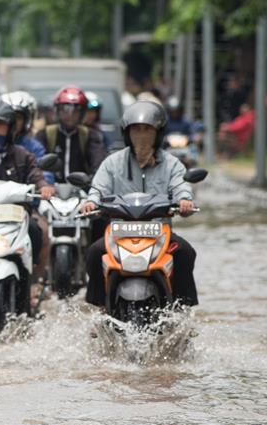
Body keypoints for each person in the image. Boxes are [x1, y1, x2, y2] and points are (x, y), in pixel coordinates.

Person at [80, 101, 198, 309]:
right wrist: (91, 203)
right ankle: (100, 309)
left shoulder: (172, 164)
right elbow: (98, 188)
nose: (141, 136)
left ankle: (181, 310)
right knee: (94, 253)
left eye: (147, 130)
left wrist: (184, 201)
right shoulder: (112, 163)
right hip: (119, 233)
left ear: (158, 133)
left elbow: (181, 185)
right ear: (127, 134)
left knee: (185, 252)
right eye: (136, 130)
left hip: (160, 233)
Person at [0, 98, 55, 298]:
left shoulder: (23, 155)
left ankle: (33, 282)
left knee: (39, 230)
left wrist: (44, 187)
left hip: (17, 217)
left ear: (9, 129)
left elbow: (37, 175)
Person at [36, 86, 107, 182]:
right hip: (50, 189)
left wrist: (90, 181)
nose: (70, 115)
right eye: (65, 109)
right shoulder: (44, 134)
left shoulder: (90, 135)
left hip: (81, 191)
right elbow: (36, 163)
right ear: (57, 110)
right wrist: (44, 183)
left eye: (76, 111)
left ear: (82, 113)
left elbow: (98, 164)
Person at [2, 91, 54, 184]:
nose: (13, 121)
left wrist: (44, 185)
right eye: (8, 116)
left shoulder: (35, 147)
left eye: (17, 117)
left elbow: (45, 173)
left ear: (26, 121)